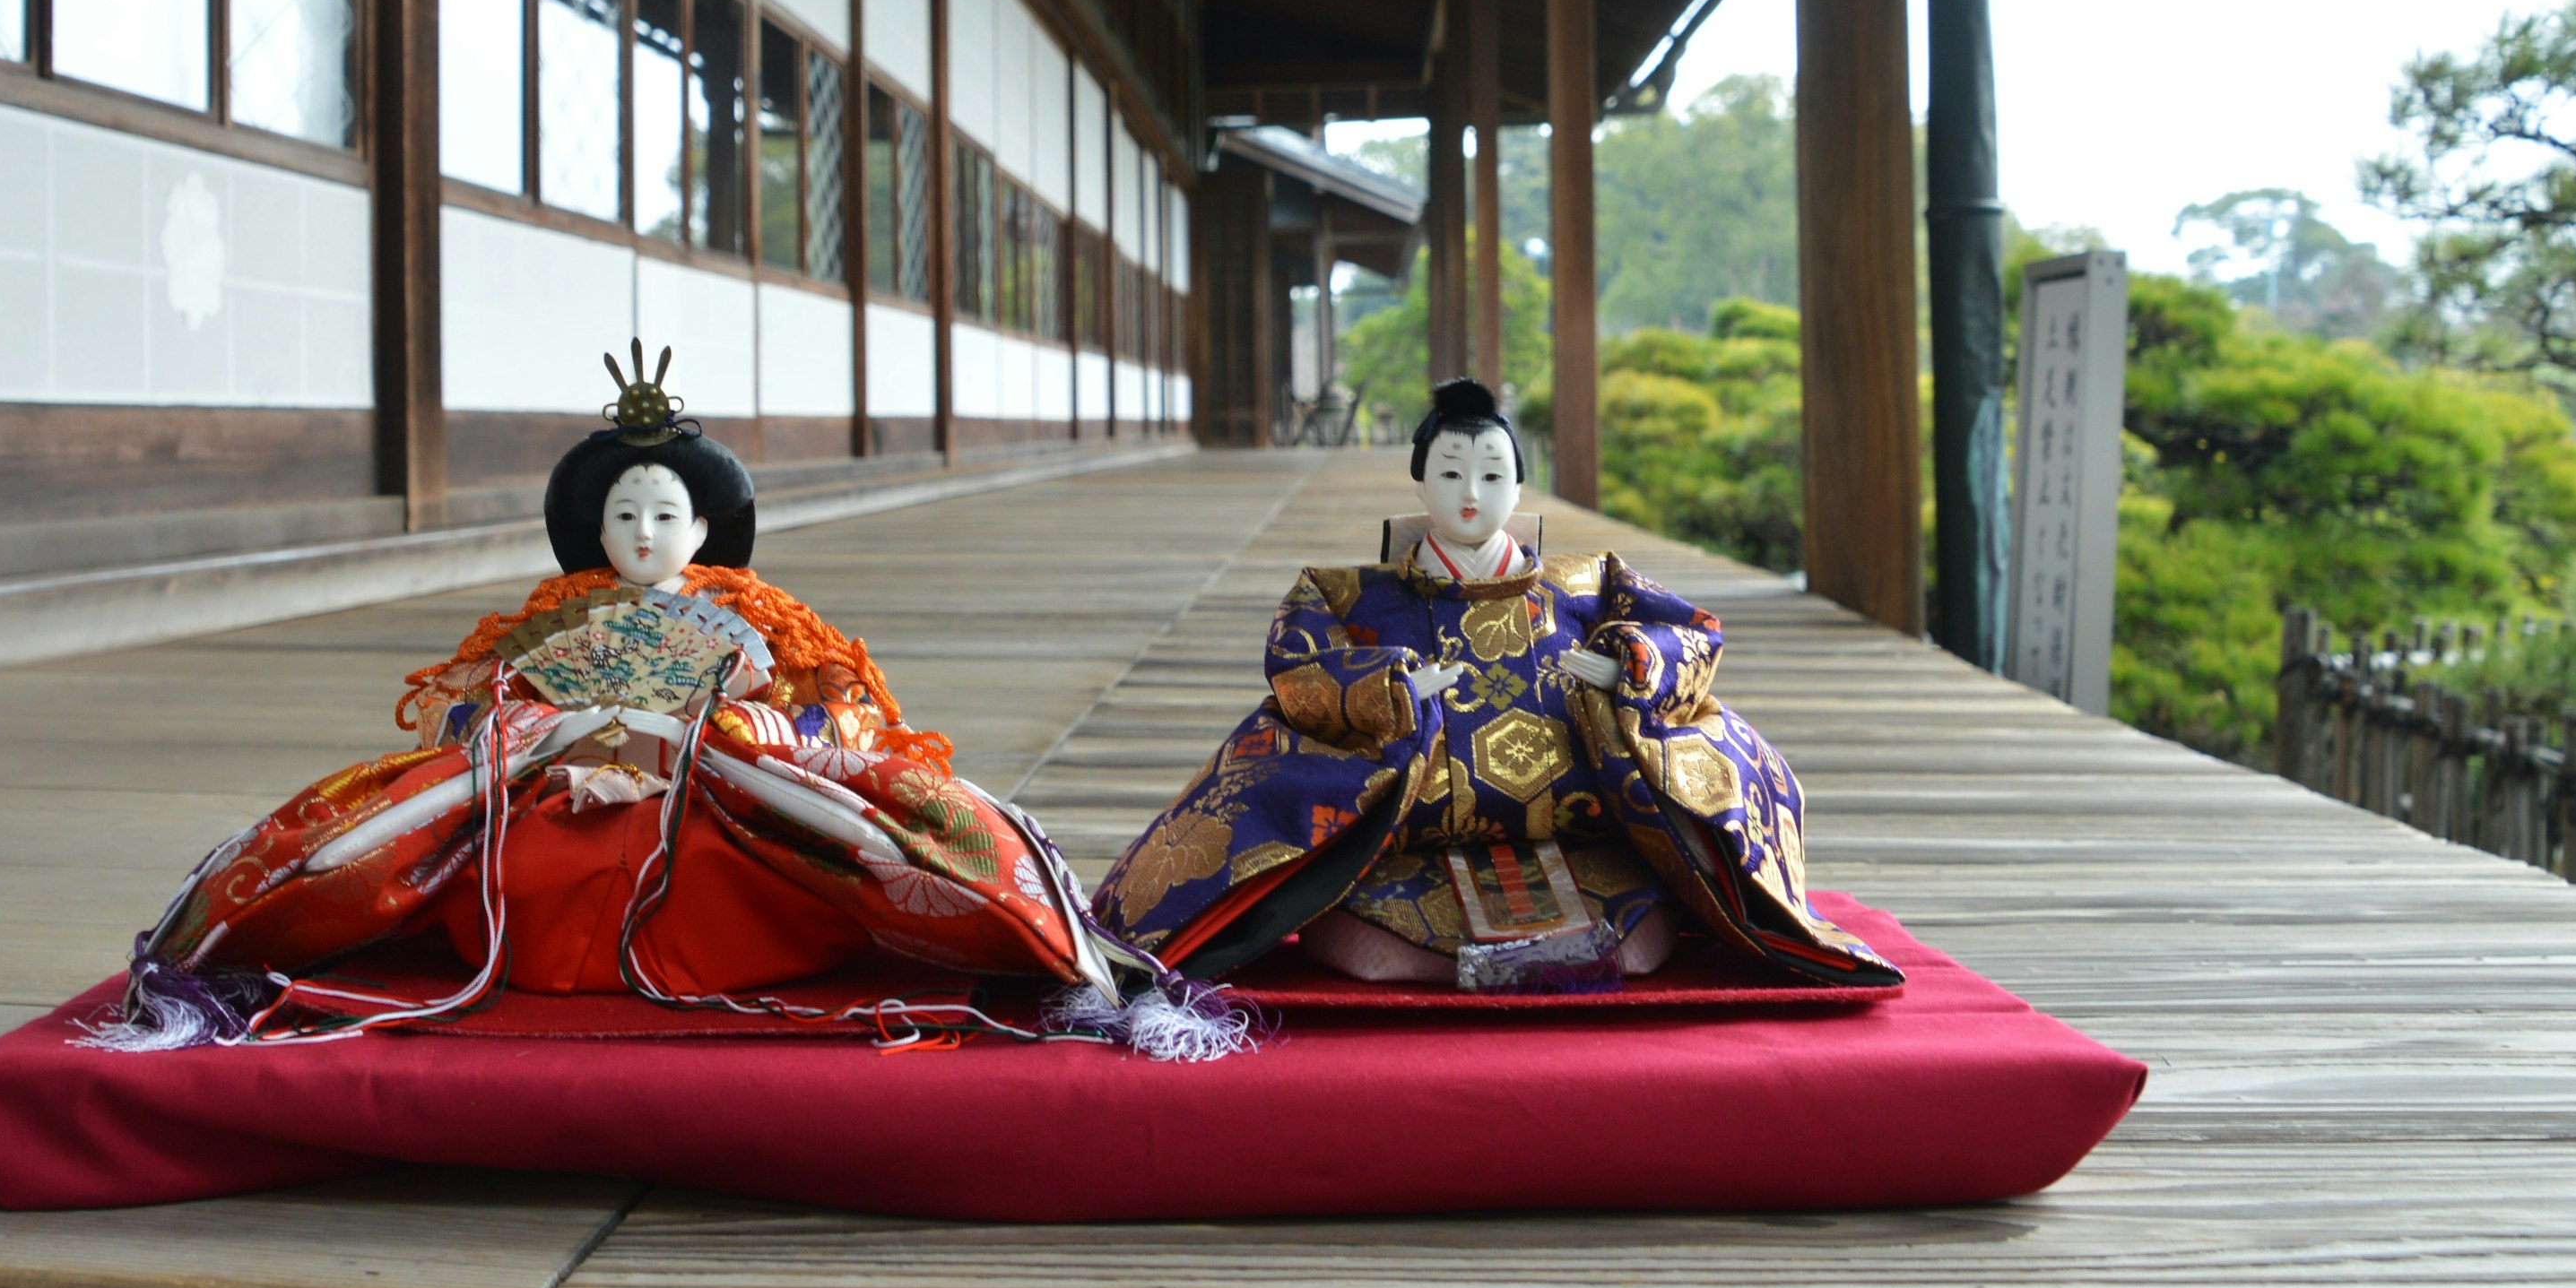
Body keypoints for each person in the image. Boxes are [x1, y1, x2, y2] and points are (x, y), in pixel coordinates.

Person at [110, 344, 1126, 1043]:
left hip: (723, 794)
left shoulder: (766, 624)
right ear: (595, 530)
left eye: (663, 513)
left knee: (792, 848)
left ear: (701, 531)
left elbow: (846, 720)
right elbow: (476, 720)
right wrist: (574, 734)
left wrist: (741, 731)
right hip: (569, 784)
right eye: (622, 512)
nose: (642, 532)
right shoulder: (549, 626)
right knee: (496, 838)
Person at [1091, 376, 1898, 994]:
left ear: (1520, 481)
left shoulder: (1588, 581)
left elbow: (1694, 632)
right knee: (1270, 781)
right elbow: (1297, 660)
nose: (1470, 494)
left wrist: (1629, 667)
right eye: (1449, 472)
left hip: (1583, 838)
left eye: (1490, 472)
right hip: (1407, 847)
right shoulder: (1352, 593)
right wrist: (1388, 685)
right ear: (1419, 481)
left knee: (1718, 762)